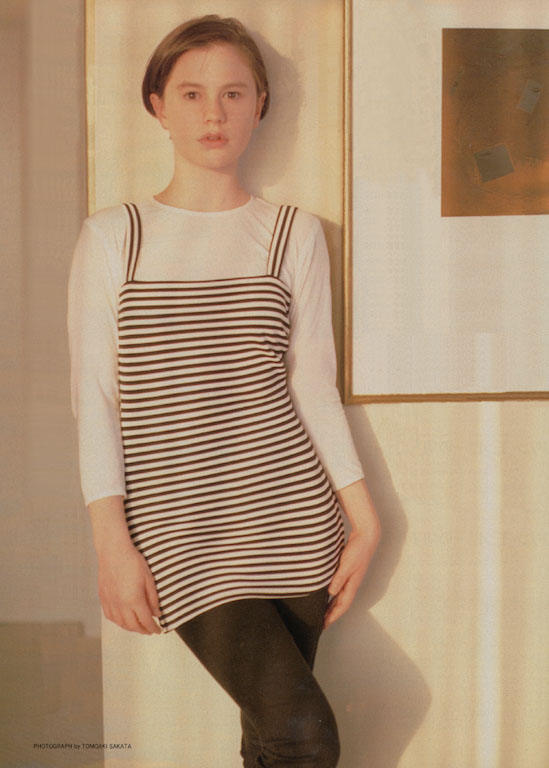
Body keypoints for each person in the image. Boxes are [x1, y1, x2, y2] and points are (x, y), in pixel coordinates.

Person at [67, 14, 380, 768]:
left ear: (259, 105)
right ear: (157, 105)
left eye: (234, 93)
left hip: (293, 519)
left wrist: (364, 518)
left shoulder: (291, 233)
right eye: (192, 93)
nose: (214, 112)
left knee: (272, 743)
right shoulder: (114, 236)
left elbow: (310, 381)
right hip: (180, 529)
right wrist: (111, 544)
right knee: (305, 737)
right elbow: (94, 396)